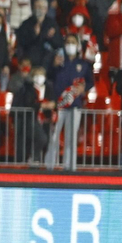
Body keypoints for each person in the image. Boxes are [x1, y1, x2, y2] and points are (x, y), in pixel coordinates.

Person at [45, 32, 92, 170]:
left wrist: (84, 88)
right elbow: (48, 76)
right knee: (53, 136)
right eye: (68, 42)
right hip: (57, 105)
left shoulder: (83, 64)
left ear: (77, 46)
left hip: (75, 105)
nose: (70, 45)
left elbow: (90, 82)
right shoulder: (57, 60)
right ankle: (50, 166)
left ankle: (70, 168)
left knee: (71, 138)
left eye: (73, 42)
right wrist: (54, 65)